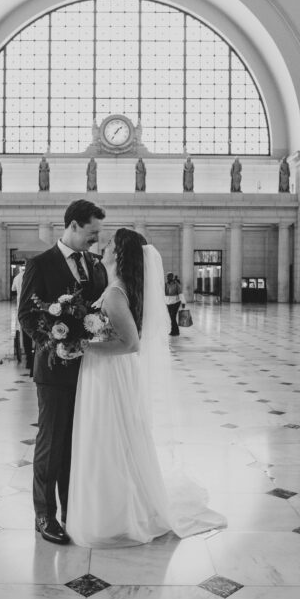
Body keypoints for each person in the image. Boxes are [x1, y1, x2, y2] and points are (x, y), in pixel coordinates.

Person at [66, 228, 225, 547]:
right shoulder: (117, 288)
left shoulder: (115, 292)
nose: (104, 248)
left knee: (109, 437)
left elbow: (130, 343)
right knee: (115, 437)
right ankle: (117, 506)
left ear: (119, 255)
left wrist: (83, 344)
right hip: (110, 370)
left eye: (109, 245)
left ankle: (118, 513)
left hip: (109, 371)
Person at [17, 199, 108, 545]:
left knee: (78, 442)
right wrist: (54, 342)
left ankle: (74, 507)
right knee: (51, 443)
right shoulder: (40, 264)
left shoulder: (96, 266)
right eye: (91, 232)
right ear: (72, 225)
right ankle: (44, 515)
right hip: (54, 371)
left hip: (91, 371)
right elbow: (26, 315)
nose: (95, 240)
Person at [11, 265, 33, 374]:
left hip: (22, 307)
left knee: (25, 333)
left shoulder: (18, 277)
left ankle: (29, 359)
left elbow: (13, 289)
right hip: (33, 308)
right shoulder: (34, 275)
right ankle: (33, 359)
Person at [164, 272, 182, 336]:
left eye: (169, 276)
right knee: (171, 317)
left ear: (172, 277)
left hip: (176, 302)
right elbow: (165, 293)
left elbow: (180, 292)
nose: (168, 278)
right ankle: (175, 331)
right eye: (167, 276)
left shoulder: (176, 284)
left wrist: (183, 302)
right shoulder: (166, 284)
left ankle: (174, 331)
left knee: (173, 316)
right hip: (169, 302)